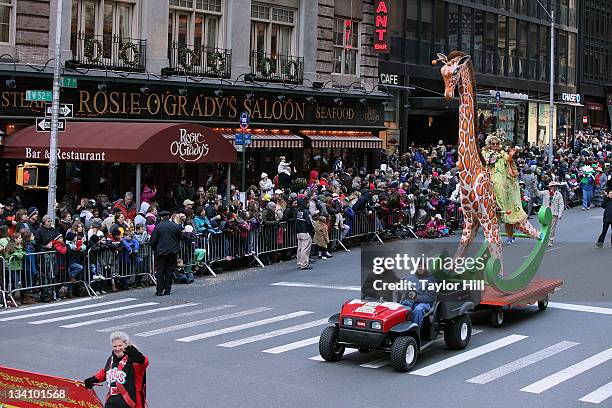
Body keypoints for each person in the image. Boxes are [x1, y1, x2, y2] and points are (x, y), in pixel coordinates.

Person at [482, 134, 540, 244]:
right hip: (488, 179)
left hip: (501, 183)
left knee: (507, 215)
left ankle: (510, 236)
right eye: (493, 144)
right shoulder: (485, 153)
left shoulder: (503, 154)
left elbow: (508, 161)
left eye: (497, 144)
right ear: (489, 145)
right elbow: (485, 162)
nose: (495, 145)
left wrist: (511, 155)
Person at [84, 331, 148, 408]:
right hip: (112, 401)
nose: (117, 349)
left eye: (120, 345)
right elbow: (106, 371)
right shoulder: (111, 358)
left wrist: (139, 357)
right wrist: (94, 378)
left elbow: (143, 364)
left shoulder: (133, 359)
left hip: (130, 402)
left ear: (126, 345)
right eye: (115, 346)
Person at [149, 210, 182, 296]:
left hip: (161, 252)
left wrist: (155, 249)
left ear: (161, 217)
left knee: (160, 271)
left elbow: (153, 241)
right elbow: (179, 238)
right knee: (169, 271)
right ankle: (168, 289)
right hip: (172, 251)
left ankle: (159, 290)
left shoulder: (158, 227)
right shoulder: (175, 226)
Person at [537, 181, 565, 247]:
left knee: (552, 228)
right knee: (544, 227)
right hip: (545, 212)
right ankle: (543, 239)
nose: (554, 187)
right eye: (552, 186)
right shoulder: (545, 192)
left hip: (554, 213)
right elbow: (537, 193)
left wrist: (560, 214)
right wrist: (534, 186)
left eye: (555, 186)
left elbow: (561, 204)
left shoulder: (558, 194)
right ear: (549, 187)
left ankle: (550, 241)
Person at [295, 198, 314, 270]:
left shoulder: (298, 211)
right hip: (305, 232)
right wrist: (312, 229)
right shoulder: (306, 211)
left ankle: (299, 262)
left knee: (299, 248)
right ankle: (304, 264)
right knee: (305, 249)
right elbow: (310, 222)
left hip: (299, 231)